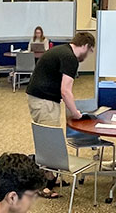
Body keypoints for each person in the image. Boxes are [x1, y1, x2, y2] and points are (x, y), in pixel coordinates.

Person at [26, 31, 96, 197]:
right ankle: (44, 185)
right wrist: (76, 113)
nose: (88, 55)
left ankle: (51, 176)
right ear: (85, 46)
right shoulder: (70, 58)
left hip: (40, 97)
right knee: (49, 142)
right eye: (90, 51)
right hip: (44, 101)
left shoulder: (62, 50)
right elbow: (65, 91)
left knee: (49, 140)